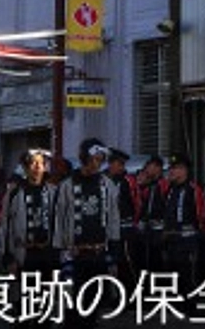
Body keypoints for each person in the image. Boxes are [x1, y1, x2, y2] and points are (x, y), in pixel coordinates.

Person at [53, 137, 122, 329]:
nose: (96, 164)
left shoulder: (107, 185)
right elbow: (58, 219)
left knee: (94, 303)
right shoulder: (67, 185)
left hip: (98, 253)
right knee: (72, 306)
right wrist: (58, 250)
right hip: (74, 254)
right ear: (84, 158)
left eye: (100, 160)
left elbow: (113, 218)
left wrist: (114, 248)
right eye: (93, 159)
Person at [0, 148, 60, 328]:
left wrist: (58, 254)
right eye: (32, 163)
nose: (37, 167)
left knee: (45, 303)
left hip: (47, 253)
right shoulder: (14, 193)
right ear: (25, 167)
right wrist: (8, 257)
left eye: (41, 163)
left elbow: (60, 224)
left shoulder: (53, 192)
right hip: (24, 254)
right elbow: (5, 227)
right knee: (24, 304)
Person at [161, 152, 205, 298]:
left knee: (188, 276)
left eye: (175, 168)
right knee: (173, 276)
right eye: (171, 168)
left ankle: (191, 305)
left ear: (184, 170)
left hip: (187, 241)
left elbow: (202, 214)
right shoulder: (170, 189)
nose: (171, 171)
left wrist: (197, 235)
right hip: (172, 240)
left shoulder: (193, 189)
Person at [104, 147, 140, 286]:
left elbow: (137, 203)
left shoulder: (128, 180)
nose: (121, 167)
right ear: (110, 163)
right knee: (109, 263)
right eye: (118, 164)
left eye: (122, 164)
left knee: (126, 262)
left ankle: (131, 291)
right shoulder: (102, 179)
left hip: (125, 228)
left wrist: (133, 222)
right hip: (107, 229)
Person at [134, 153, 168, 276]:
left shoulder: (164, 184)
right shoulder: (150, 186)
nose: (147, 169)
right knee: (147, 260)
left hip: (159, 229)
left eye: (150, 166)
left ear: (158, 168)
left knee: (157, 261)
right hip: (147, 229)